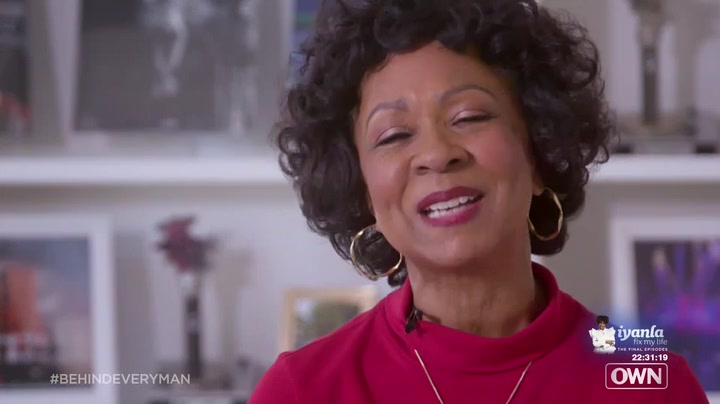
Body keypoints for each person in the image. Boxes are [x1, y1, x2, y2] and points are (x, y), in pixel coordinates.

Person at [251, 0, 709, 402]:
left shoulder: (651, 385)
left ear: (538, 150)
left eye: (469, 117)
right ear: (362, 190)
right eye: (393, 135)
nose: (436, 154)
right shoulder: (302, 392)